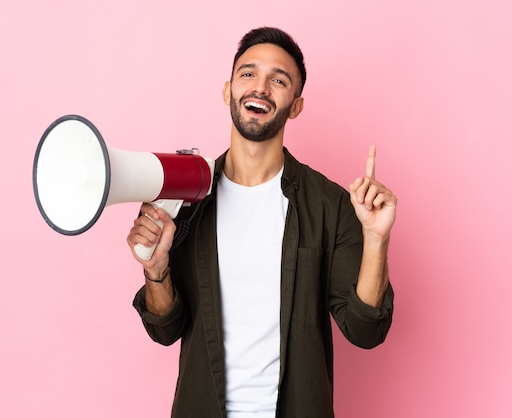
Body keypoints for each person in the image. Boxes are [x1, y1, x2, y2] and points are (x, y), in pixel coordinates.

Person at [127, 27, 396, 418]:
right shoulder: (183, 200)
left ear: (296, 105)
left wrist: (375, 239)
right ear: (227, 90)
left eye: (279, 79)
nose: (261, 88)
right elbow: (165, 329)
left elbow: (365, 330)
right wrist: (155, 270)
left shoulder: (331, 204)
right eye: (248, 74)